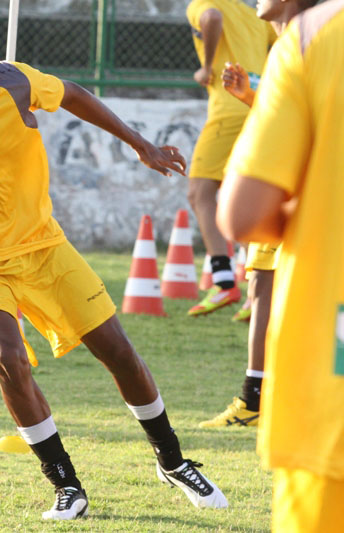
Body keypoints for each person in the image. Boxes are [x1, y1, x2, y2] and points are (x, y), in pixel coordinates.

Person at [0, 3, 228, 520]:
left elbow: (71, 94)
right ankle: (66, 485)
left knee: (118, 351)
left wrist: (139, 144)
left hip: (44, 246)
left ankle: (173, 460)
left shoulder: (13, 83)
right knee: (7, 356)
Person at [218, 1, 344, 530]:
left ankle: (252, 390)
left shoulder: (315, 36)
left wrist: (317, 210)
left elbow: (243, 214)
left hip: (330, 379)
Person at [199, 0, 317, 428]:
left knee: (270, 294)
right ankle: (261, 397)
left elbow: (296, 125)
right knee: (265, 293)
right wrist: (251, 96)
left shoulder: (306, 42)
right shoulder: (290, 42)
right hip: (297, 194)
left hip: (294, 196)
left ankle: (259, 399)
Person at [184, 0, 275, 315]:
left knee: (200, 191)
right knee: (243, 197)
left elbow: (211, 18)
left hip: (229, 107)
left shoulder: (203, 4)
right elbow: (283, 44)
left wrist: (207, 67)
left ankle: (224, 283)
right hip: (258, 104)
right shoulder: (257, 15)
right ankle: (256, 289)